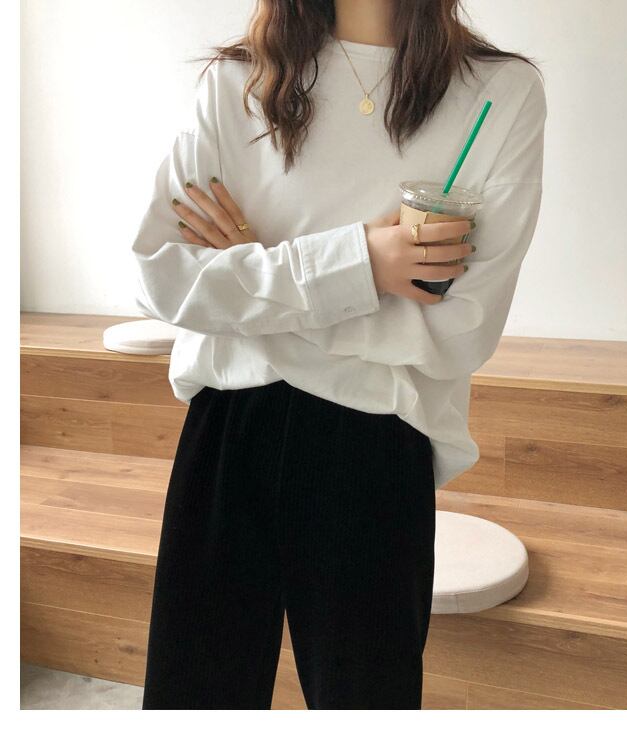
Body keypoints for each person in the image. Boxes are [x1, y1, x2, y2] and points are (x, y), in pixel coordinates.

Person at [132, 0, 547, 711]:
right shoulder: (237, 81)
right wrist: (360, 266)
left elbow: (459, 329)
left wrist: (253, 278)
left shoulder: (499, 92)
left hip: (378, 442)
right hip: (228, 425)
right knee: (194, 696)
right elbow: (161, 277)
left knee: (367, 699)